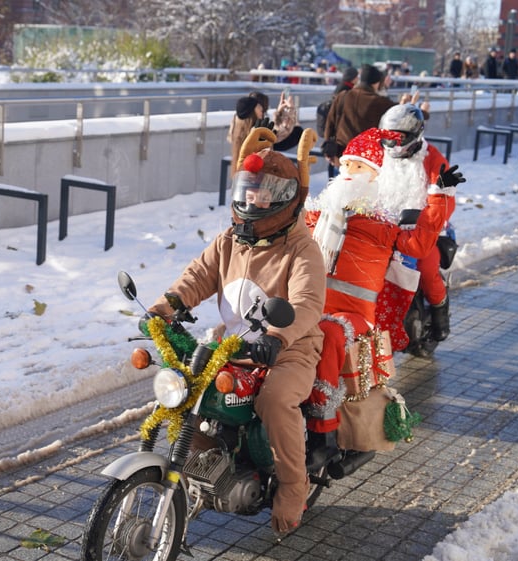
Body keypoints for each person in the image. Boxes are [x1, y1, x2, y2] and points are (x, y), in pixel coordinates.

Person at [145, 125, 325, 533]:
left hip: (290, 348)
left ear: (285, 200)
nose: (252, 200)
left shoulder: (301, 248)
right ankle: (206, 466)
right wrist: (166, 306)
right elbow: (198, 276)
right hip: (233, 346)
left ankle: (294, 488)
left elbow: (306, 303)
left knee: (276, 400)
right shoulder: (230, 240)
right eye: (247, 190)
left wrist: (277, 339)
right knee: (187, 390)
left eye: (263, 194)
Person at [303, 127, 455, 448]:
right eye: (345, 166)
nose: (348, 174)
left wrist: (439, 196)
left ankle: (323, 429)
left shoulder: (383, 226)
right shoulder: (317, 215)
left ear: (375, 178)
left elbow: (418, 243)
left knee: (329, 333)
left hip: (352, 317)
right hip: (311, 306)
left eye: (358, 167)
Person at [376, 104, 463, 351]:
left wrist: (437, 201)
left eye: (399, 138)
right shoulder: (379, 155)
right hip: (385, 228)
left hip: (426, 231)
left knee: (426, 268)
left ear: (415, 134)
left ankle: (439, 316)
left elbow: (445, 201)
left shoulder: (433, 158)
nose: (392, 144)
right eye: (388, 137)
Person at [228, 91, 298, 172]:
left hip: (242, 175)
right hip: (259, 176)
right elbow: (281, 132)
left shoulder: (237, 127)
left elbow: (273, 130)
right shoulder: (257, 132)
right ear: (252, 111)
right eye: (258, 107)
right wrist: (291, 109)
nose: (262, 109)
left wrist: (279, 113)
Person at [316, 66, 359, 178]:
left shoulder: (339, 88)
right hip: (341, 140)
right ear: (353, 78)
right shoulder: (348, 91)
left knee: (334, 172)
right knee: (341, 173)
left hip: (333, 142)